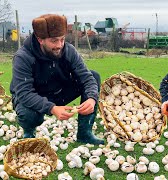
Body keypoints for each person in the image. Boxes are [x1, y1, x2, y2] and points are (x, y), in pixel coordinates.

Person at [10, 14, 104, 145]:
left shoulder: (68, 50)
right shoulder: (23, 57)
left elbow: (87, 78)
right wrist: (52, 108)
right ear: (40, 39)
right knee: (28, 114)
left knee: (94, 76)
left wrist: (92, 98)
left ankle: (84, 133)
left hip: (58, 92)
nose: (59, 45)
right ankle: (29, 131)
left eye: (62, 39)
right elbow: (24, 93)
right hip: (31, 97)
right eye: (54, 41)